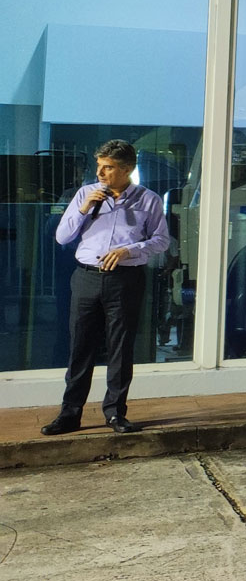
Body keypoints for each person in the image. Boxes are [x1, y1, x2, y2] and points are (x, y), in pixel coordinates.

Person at [41, 140, 172, 436]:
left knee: (120, 348)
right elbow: (62, 237)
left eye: (108, 167)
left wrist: (130, 249)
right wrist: (84, 208)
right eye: (99, 166)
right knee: (79, 347)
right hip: (86, 277)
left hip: (125, 279)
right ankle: (69, 414)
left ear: (126, 169)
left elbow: (161, 240)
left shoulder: (148, 200)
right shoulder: (85, 194)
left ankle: (115, 414)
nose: (100, 172)